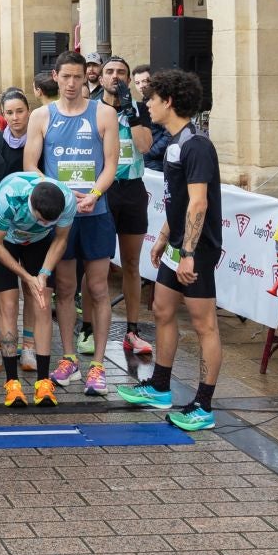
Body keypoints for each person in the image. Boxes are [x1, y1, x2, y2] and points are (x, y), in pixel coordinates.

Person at [117, 69, 223, 431]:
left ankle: (203, 406)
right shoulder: (176, 142)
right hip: (178, 243)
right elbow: (177, 201)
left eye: (152, 98)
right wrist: (163, 236)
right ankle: (160, 386)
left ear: (170, 102)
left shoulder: (197, 145)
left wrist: (189, 253)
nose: (147, 103)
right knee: (162, 309)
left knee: (204, 325)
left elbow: (198, 204)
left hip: (197, 249)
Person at [24, 52, 120, 397]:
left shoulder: (104, 113)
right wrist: (60, 194)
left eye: (78, 77)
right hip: (61, 216)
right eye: (65, 77)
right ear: (56, 76)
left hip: (95, 213)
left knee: (97, 289)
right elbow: (30, 165)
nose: (71, 83)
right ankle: (68, 359)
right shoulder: (41, 116)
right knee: (64, 289)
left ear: (85, 79)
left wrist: (94, 193)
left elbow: (111, 164)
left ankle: (97, 364)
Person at [0, 170, 76, 407]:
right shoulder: (9, 197)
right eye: (41, 219)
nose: (45, 223)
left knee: (43, 302)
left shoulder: (66, 200)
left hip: (39, 243)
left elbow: (61, 239)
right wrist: (26, 276)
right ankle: (12, 383)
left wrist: (43, 274)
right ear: (30, 204)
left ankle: (43, 381)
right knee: (9, 304)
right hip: (5, 242)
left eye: (49, 222)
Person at [98, 57, 157, 365]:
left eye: (121, 72)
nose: (116, 77)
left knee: (131, 263)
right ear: (101, 78)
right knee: (97, 262)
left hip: (132, 189)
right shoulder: (92, 107)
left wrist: (130, 113)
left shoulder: (139, 109)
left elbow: (146, 146)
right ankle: (88, 327)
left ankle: (132, 330)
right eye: (110, 72)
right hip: (103, 190)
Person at [0, 90, 36, 374]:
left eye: (20, 111)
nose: (15, 117)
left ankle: (28, 347)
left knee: (31, 287)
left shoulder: (39, 139)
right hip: (0, 226)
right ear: (3, 115)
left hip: (33, 227)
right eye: (10, 112)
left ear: (29, 110)